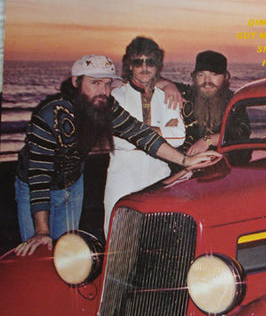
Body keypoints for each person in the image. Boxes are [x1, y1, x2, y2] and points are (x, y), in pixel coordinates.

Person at [14, 54, 219, 257]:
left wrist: (185, 160)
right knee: (38, 252)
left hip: (72, 183)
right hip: (33, 188)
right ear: (76, 82)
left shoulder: (104, 105)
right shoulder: (50, 115)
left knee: (65, 254)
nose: (103, 91)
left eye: (107, 84)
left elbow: (139, 134)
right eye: (95, 83)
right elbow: (39, 176)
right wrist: (41, 231)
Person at [103, 37, 185, 235]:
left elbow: (179, 137)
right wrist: (160, 130)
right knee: (118, 235)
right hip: (123, 176)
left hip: (159, 174)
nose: (145, 67)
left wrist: (134, 133)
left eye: (150, 62)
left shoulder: (167, 97)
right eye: (138, 62)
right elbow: (114, 140)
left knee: (158, 236)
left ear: (157, 66)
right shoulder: (116, 97)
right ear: (130, 65)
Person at [171, 50, 250, 157]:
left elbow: (243, 132)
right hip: (184, 163)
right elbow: (152, 80)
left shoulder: (234, 101)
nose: (207, 81)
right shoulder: (185, 95)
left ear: (226, 77)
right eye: (201, 75)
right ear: (194, 77)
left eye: (214, 75)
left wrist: (209, 140)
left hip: (222, 162)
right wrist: (168, 86)